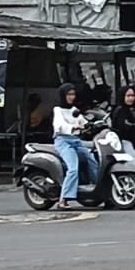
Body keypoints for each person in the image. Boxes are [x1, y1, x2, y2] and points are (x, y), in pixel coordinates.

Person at [51, 83, 98, 211]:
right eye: (69, 94)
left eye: (73, 94)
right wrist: (74, 127)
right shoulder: (58, 110)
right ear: (63, 95)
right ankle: (63, 199)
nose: (72, 97)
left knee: (92, 159)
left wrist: (92, 125)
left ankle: (98, 189)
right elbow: (59, 125)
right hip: (63, 141)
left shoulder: (74, 110)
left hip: (76, 141)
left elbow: (84, 121)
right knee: (73, 168)